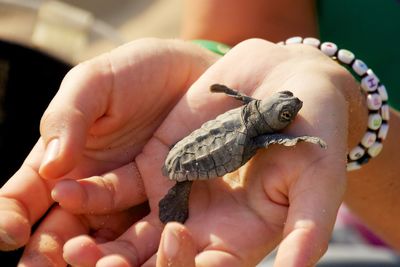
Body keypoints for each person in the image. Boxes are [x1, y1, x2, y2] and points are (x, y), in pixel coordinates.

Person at [0, 1, 399, 266]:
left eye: (290, 111)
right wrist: (212, 62)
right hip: (195, 160)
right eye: (286, 108)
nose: (294, 110)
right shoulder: (253, 124)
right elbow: (251, 32)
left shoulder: (254, 125)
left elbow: (276, 134)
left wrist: (349, 115)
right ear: (259, 105)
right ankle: (179, 193)